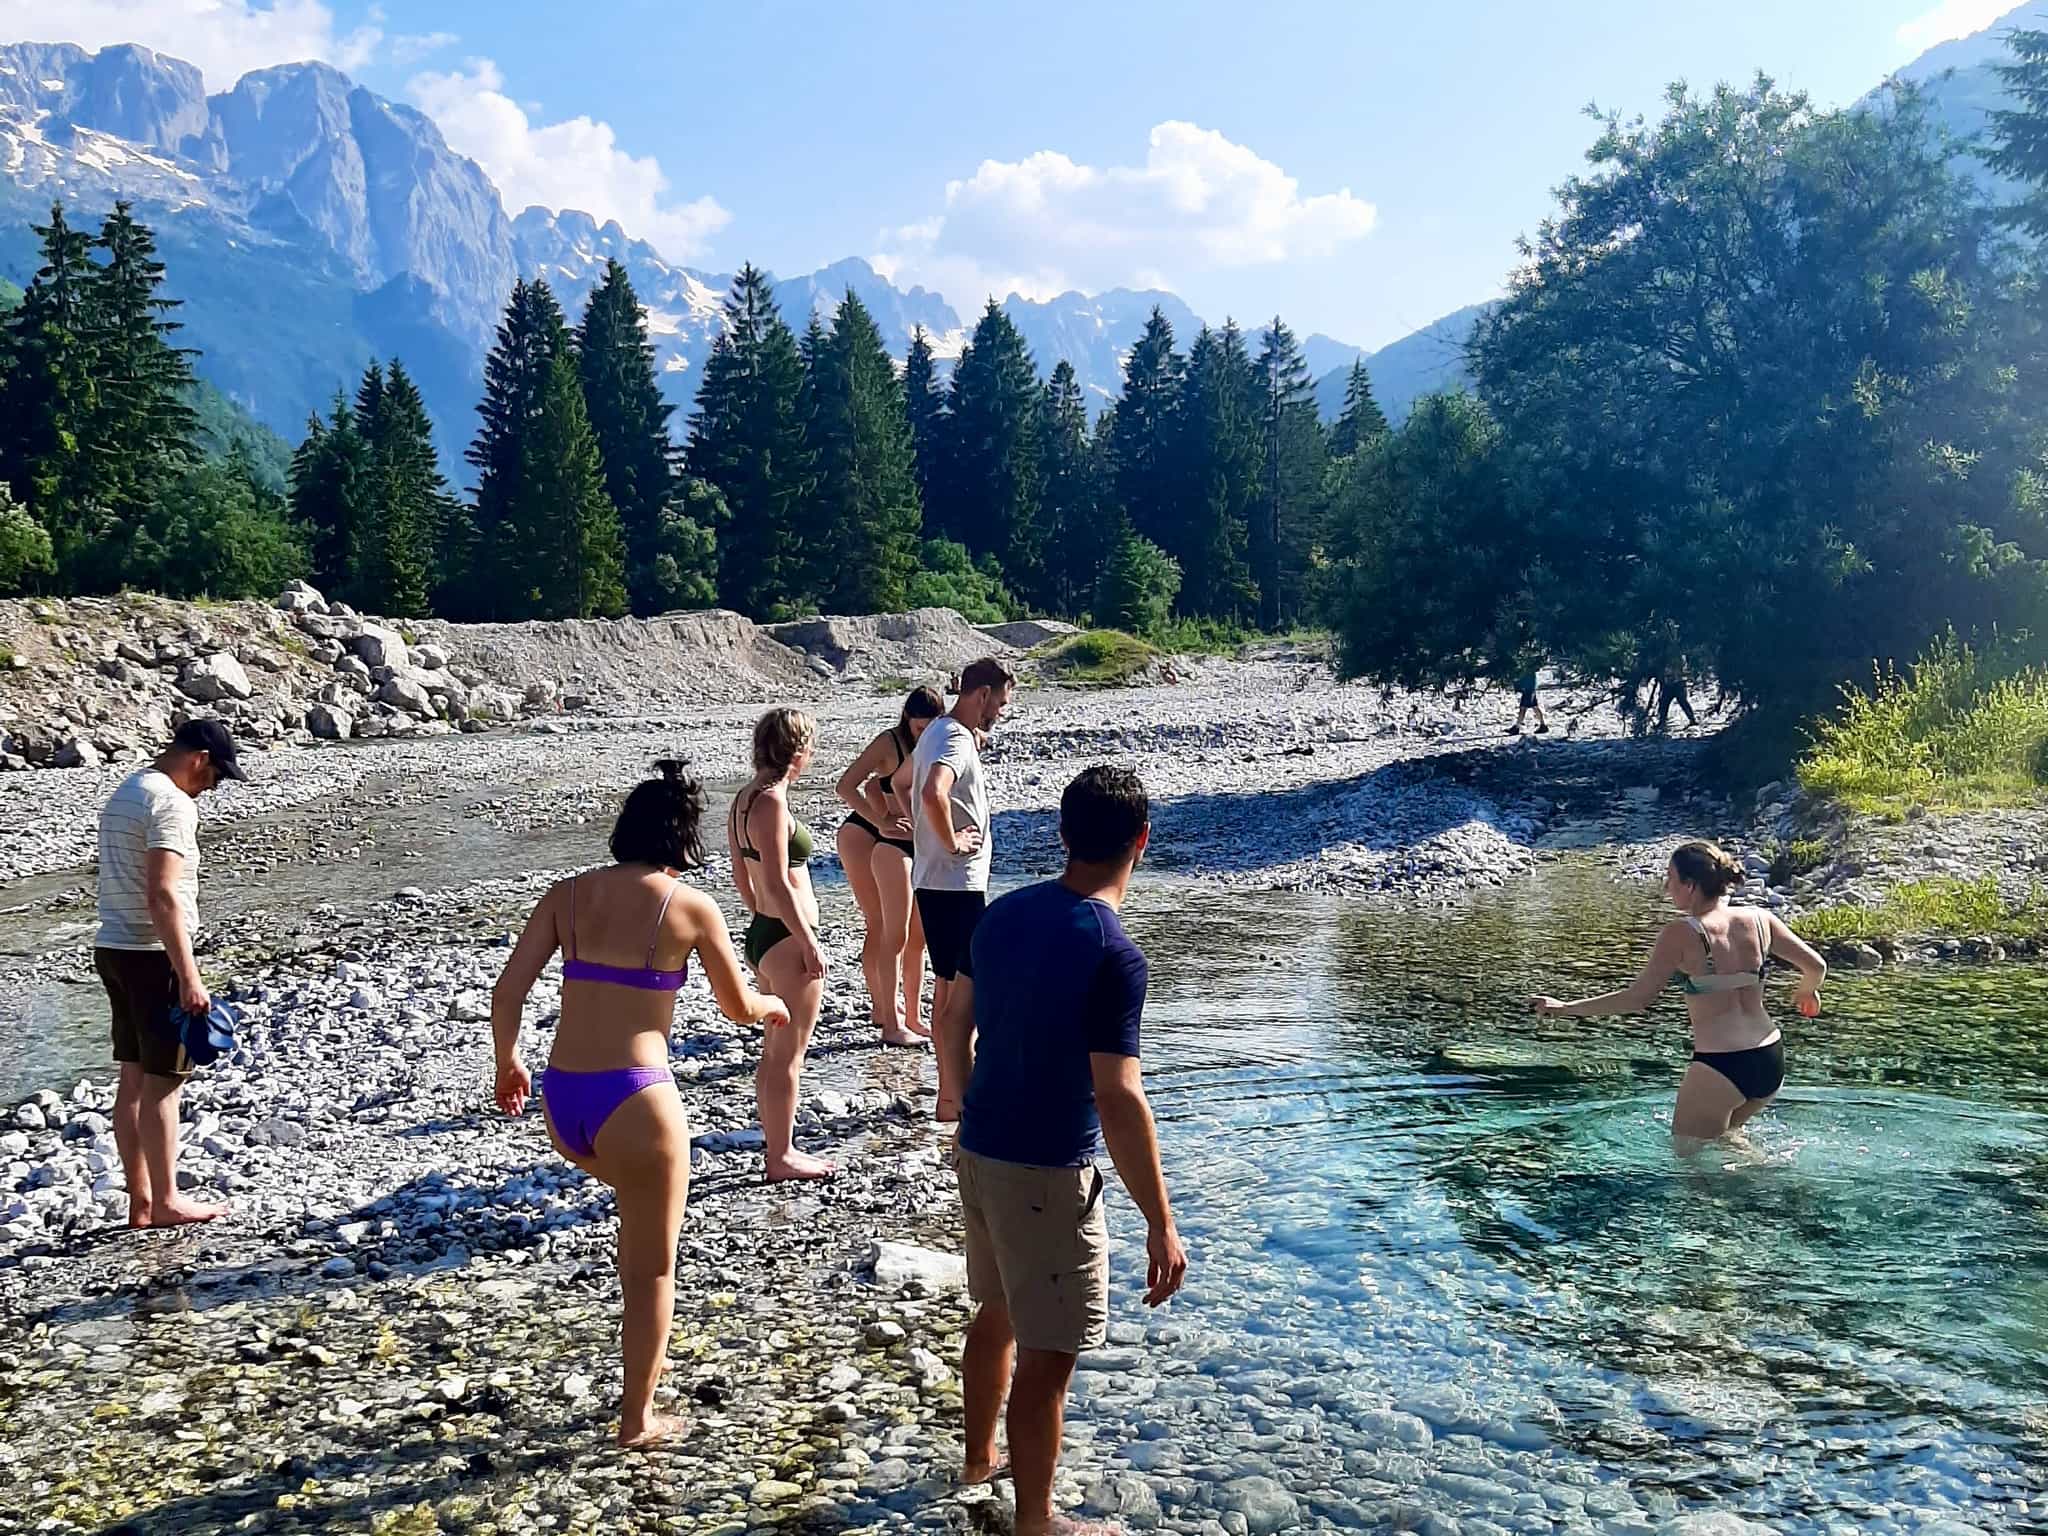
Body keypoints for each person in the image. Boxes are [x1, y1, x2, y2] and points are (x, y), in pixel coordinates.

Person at [491, 761, 789, 1447]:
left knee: (634, 1229)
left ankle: (635, 1392)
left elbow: (508, 992)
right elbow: (738, 1005)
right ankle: (637, 1421)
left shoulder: (563, 895)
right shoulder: (687, 906)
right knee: (651, 1268)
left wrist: (508, 1060)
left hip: (564, 1100)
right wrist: (775, 1005)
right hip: (637, 1099)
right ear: (685, 838)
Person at [949, 766, 1188, 1533]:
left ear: (1063, 835)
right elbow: (1117, 1095)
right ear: (1141, 843)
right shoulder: (1113, 951)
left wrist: (958, 1099)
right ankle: (1038, 1521)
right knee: (1050, 1356)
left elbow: (950, 1012)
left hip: (980, 1148)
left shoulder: (1003, 915)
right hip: (1049, 1170)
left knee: (997, 1311)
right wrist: (1160, 1219)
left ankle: (978, 1460)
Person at [1528, 839, 1828, 1141]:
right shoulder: (1761, 919)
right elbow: (1816, 967)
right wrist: (1806, 992)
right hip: (1769, 1057)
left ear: (1691, 885)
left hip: (1722, 1065)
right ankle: (1770, 1180)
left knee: (1690, 1166)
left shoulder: (1682, 932)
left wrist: (1566, 1008)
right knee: (1725, 1141)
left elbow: (1637, 998)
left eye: (1670, 878)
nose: (1666, 887)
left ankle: (1769, 1182)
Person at [95, 718, 246, 1229]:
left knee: (133, 1076)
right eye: (217, 776)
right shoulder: (173, 804)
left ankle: (139, 1200)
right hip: (152, 953)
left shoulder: (129, 789)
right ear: (200, 758)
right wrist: (189, 974)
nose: (214, 787)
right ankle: (166, 1201)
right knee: (165, 1081)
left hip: (113, 946)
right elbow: (163, 894)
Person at [728, 708, 836, 1180]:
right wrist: (806, 939)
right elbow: (777, 880)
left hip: (766, 934)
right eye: (810, 745)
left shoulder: (744, 799)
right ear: (798, 750)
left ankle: (778, 1147)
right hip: (786, 938)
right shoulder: (771, 802)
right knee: (788, 1053)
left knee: (774, 1050)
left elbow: (742, 874)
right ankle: (782, 1155)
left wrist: (761, 921)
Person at [912, 658, 1015, 1121]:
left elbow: (899, 785)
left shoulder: (936, 730)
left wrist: (922, 834)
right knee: (965, 1001)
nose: (999, 713)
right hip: (956, 884)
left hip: (935, 881)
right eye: (999, 703)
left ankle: (948, 1098)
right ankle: (963, 1102)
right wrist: (952, 841)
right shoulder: (954, 737)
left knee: (947, 989)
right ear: (981, 695)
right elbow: (934, 791)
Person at [835, 686, 946, 1045]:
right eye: (918, 727)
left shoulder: (939, 743)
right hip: (864, 830)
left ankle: (895, 1011)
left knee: (907, 931)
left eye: (930, 727)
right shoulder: (889, 743)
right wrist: (880, 819)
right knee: (881, 924)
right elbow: (848, 786)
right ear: (906, 721)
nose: (923, 733)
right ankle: (885, 1012)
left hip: (901, 832)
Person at [1508, 667, 1549, 736]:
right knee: (1534, 707)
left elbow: (1525, 678)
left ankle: (1517, 727)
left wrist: (1519, 686)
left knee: (1523, 708)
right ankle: (1543, 725)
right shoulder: (1528, 667)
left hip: (1528, 689)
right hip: (1530, 689)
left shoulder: (1527, 667)